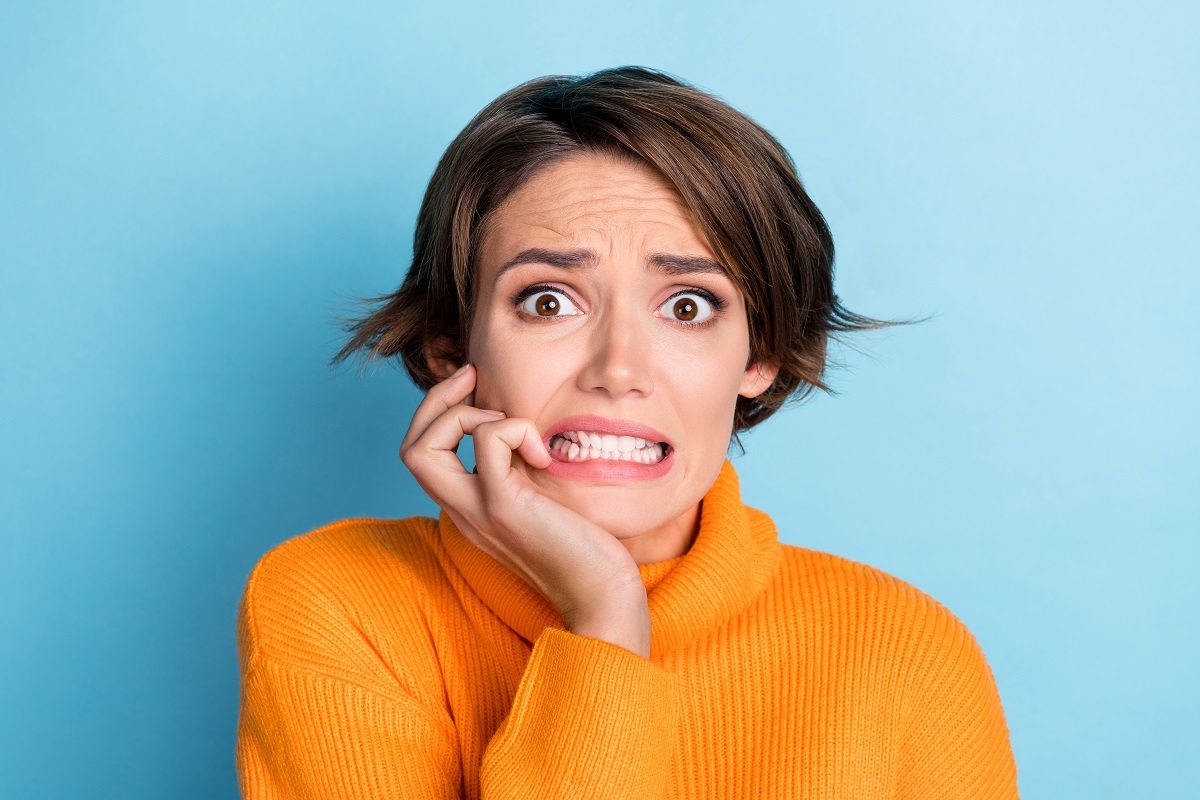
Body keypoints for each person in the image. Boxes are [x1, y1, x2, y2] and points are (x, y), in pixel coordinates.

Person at [235, 67, 1019, 799]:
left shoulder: (906, 651)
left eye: (688, 307)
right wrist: (606, 615)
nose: (618, 370)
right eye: (548, 301)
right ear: (452, 346)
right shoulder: (338, 602)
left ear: (762, 356)